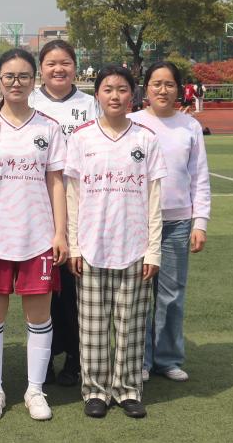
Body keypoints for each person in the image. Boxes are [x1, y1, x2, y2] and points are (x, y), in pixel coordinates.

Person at [0, 49, 68, 421]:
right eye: (9, 76)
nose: (16, 83)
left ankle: (35, 390)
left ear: (34, 80)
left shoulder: (48, 128)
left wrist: (61, 232)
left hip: (38, 236)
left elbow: (56, 182)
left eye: (24, 76)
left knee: (38, 317)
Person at [65, 65, 166, 419]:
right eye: (108, 89)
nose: (115, 96)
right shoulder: (81, 139)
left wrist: (153, 250)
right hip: (92, 245)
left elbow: (154, 198)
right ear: (97, 95)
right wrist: (74, 246)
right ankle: (95, 390)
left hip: (134, 246)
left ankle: (127, 390)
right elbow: (72, 197)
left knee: (131, 325)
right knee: (92, 327)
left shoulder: (146, 139)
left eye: (122, 89)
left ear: (132, 95)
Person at [129, 61, 211, 383]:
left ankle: (167, 358)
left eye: (169, 84)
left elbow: (199, 177)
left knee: (172, 294)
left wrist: (200, 222)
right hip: (137, 223)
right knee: (138, 295)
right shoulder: (132, 123)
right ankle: (141, 359)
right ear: (145, 88)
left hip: (177, 222)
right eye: (156, 83)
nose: (162, 90)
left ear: (178, 89)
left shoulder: (190, 126)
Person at [27, 40, 96, 387]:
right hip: (37, 205)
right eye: (51, 63)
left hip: (81, 205)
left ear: (75, 67)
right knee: (44, 286)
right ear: (41, 68)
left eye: (66, 63)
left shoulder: (90, 104)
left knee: (74, 286)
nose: (58, 69)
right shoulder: (28, 101)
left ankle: (75, 356)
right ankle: (46, 355)